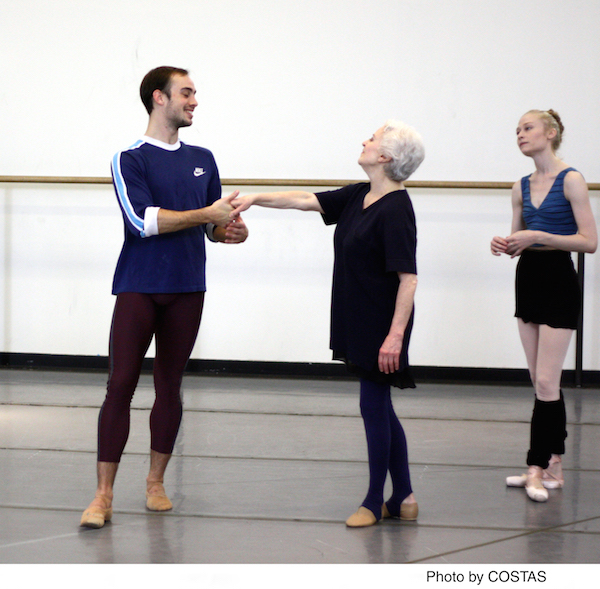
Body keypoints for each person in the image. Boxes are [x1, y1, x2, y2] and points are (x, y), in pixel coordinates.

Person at [230, 120, 425, 527]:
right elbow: (304, 200)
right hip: (358, 315)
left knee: (372, 406)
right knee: (381, 408)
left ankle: (374, 502)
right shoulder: (361, 196)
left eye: (372, 139)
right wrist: (255, 198)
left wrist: (394, 336)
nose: (364, 141)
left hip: (381, 323)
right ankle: (404, 496)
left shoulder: (396, 209)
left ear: (385, 157)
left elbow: (409, 278)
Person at [80, 66, 248, 528]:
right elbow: (142, 221)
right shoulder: (129, 157)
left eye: (194, 94)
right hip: (138, 285)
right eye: (187, 93)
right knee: (121, 384)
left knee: (170, 386)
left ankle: (155, 484)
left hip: (188, 287)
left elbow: (214, 225)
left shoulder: (204, 157)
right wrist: (206, 215)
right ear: (159, 98)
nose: (194, 101)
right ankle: (103, 495)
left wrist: (230, 230)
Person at [491, 109, 597, 502]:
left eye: (528, 127)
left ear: (550, 134)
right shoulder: (520, 186)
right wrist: (506, 243)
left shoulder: (572, 180)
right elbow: (520, 240)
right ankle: (555, 464)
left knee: (549, 381)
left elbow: (589, 241)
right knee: (540, 381)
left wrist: (541, 235)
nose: (520, 134)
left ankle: (535, 467)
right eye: (517, 129)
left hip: (557, 279)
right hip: (530, 278)